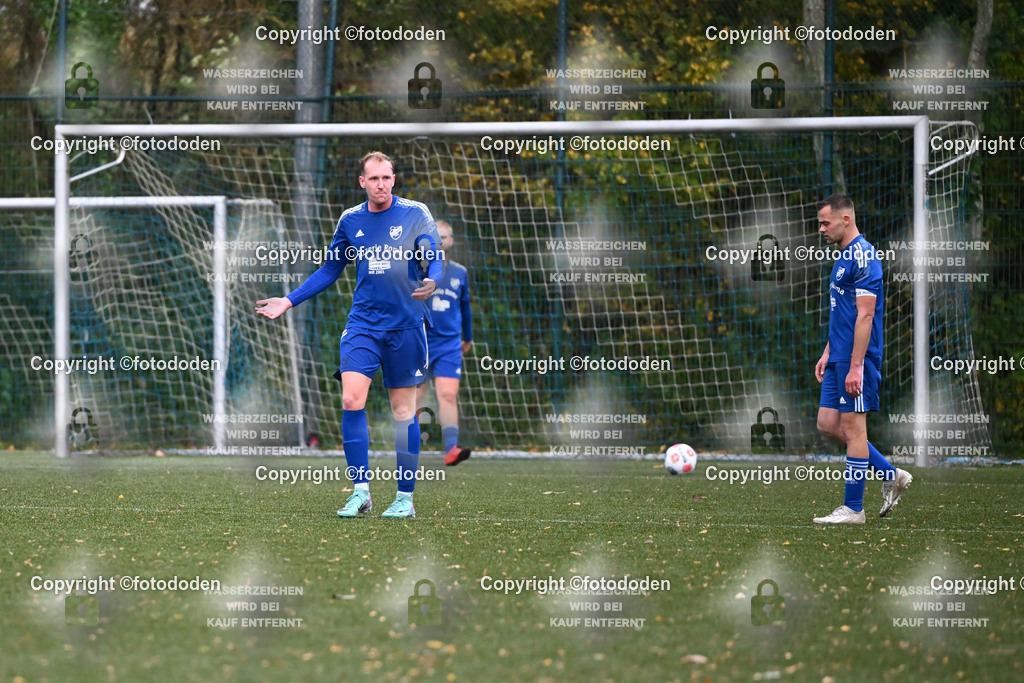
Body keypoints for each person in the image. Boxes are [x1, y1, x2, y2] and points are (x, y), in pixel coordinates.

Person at [256, 151, 442, 519]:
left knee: (403, 411)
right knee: (351, 400)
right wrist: (289, 301)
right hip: (363, 326)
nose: (382, 185)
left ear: (394, 178)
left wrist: (432, 277)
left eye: (387, 178)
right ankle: (361, 492)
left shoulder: (415, 213)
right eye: (374, 179)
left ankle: (404, 498)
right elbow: (330, 269)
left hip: (406, 326)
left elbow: (431, 253)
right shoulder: (351, 220)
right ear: (363, 182)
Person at [812, 193, 913, 524]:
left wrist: (856, 366)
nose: (821, 229)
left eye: (825, 223)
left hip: (859, 359)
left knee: (854, 430)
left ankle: (854, 508)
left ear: (845, 219)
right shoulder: (842, 256)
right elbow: (842, 312)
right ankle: (890, 474)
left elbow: (865, 316)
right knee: (828, 424)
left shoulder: (864, 256)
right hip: (839, 356)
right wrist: (829, 351)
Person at [416, 220, 473, 466]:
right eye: (435, 237)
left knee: (448, 395)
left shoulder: (460, 272)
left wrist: (468, 337)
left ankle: (451, 449)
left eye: (445, 237)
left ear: (451, 241)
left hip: (450, 343)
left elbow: (466, 308)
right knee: (415, 397)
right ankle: (410, 447)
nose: (440, 241)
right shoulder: (415, 270)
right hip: (420, 340)